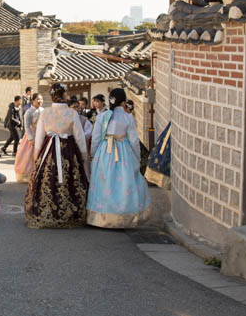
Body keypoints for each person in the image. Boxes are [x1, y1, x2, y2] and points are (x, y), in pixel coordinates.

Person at [24, 83, 89, 229]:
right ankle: (70, 213)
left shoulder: (45, 113)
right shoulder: (72, 113)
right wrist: (83, 155)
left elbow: (39, 136)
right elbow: (79, 137)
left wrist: (36, 155)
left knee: (47, 178)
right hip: (68, 151)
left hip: (48, 150)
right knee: (71, 179)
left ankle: (46, 212)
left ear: (52, 96)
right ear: (64, 95)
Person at [86, 88, 152, 228]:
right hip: (123, 151)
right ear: (123, 102)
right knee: (124, 183)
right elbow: (134, 140)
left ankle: (101, 217)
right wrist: (137, 157)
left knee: (104, 182)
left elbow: (96, 137)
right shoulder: (128, 117)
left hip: (105, 151)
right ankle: (124, 216)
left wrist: (93, 154)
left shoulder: (103, 117)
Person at [13, 92, 44, 183]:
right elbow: (26, 126)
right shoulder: (29, 112)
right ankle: (29, 176)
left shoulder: (43, 110)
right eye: (38, 99)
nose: (40, 101)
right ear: (33, 101)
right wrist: (31, 138)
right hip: (32, 135)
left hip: (42, 134)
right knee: (28, 156)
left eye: (41, 99)